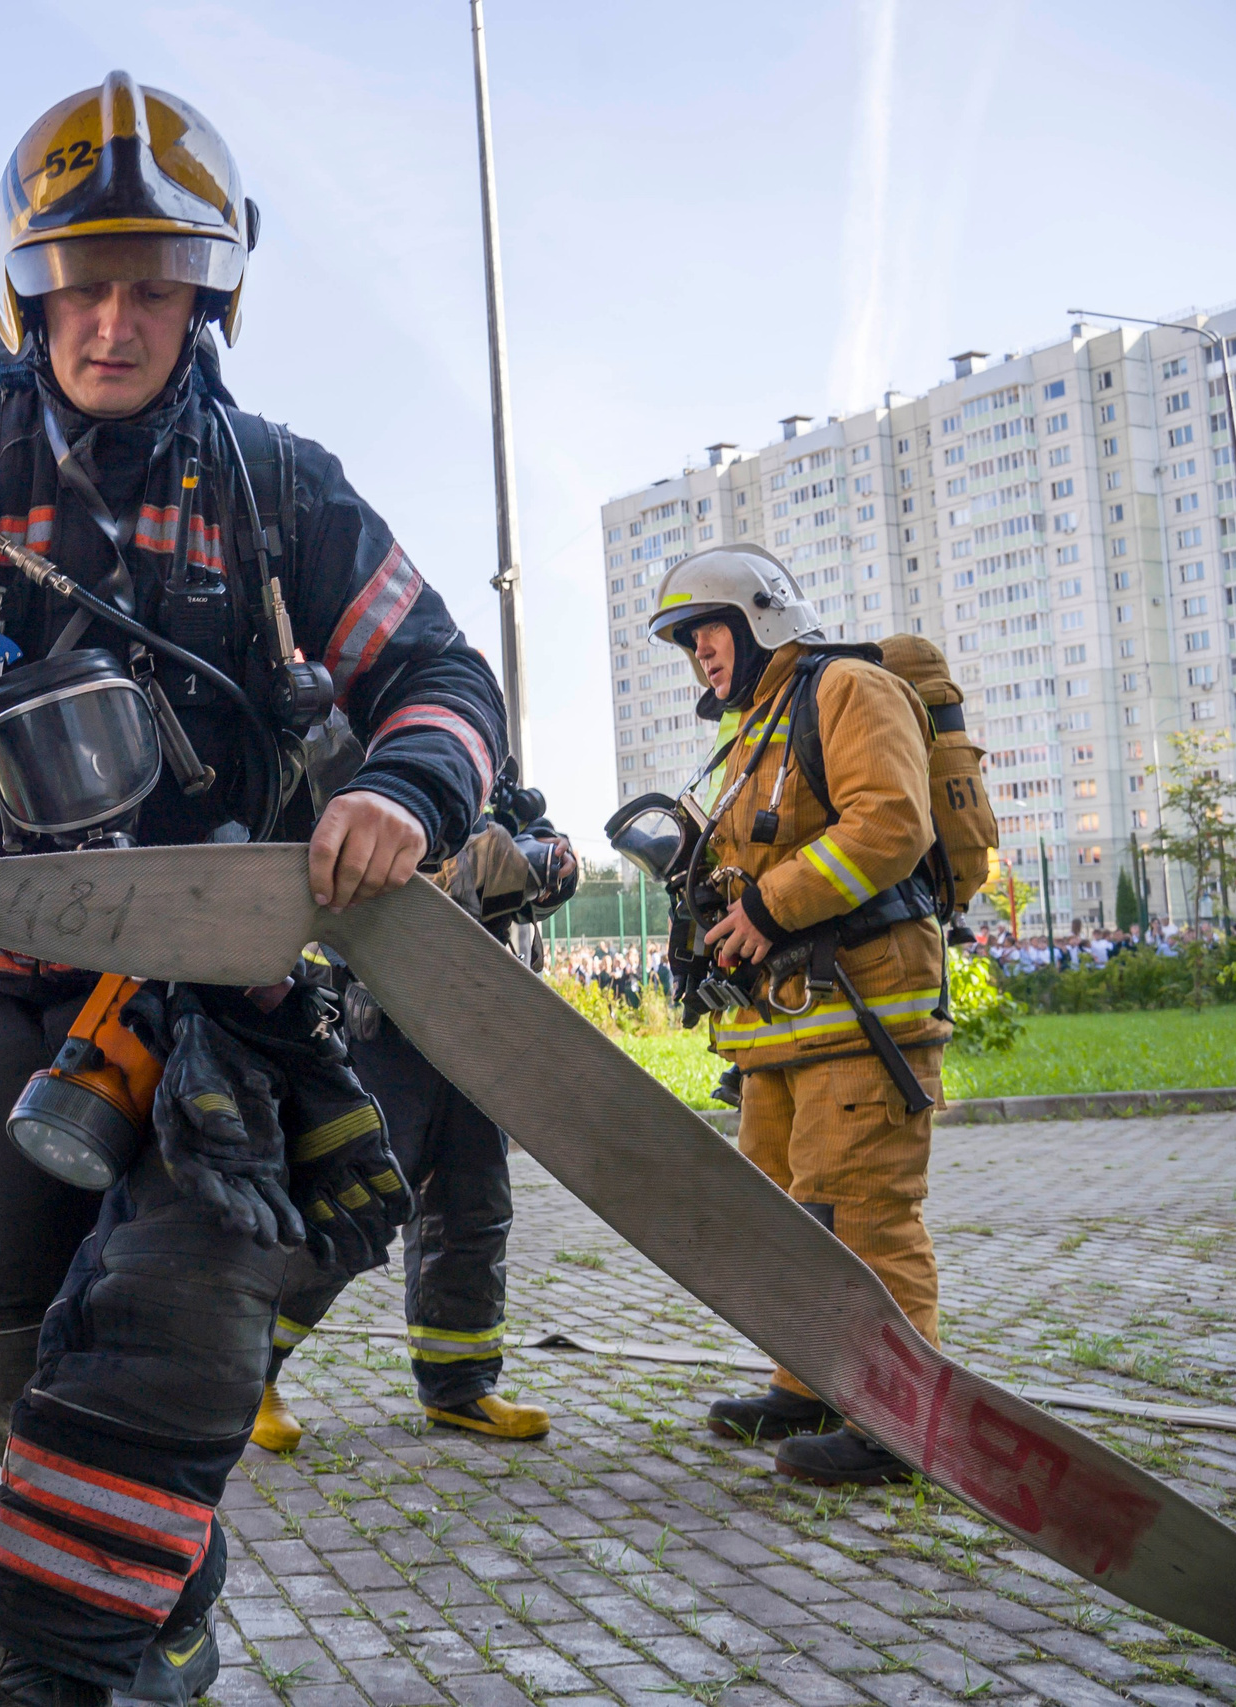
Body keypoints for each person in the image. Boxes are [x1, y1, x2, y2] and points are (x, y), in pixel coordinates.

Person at [0, 73, 504, 1707]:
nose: (115, 318)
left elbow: (441, 676)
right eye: (84, 278)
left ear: (212, 292)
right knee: (26, 1364)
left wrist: (401, 791)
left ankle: (63, 1670)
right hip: (4, 998)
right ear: (26, 281)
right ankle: (161, 1618)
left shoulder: (283, 487)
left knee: (161, 1353)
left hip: (235, 1017)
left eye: (153, 282)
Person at [647, 546, 950, 1488]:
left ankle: (900, 1422)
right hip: (783, 1028)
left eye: (710, 632)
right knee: (784, 1216)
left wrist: (770, 907)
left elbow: (892, 822)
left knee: (863, 1213)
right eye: (689, 643)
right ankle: (812, 1383)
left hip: (861, 1015)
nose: (701, 654)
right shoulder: (755, 730)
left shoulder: (847, 689)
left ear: (762, 616)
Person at [254, 780, 579, 1452]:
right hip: (375, 1018)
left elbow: (534, 859)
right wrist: (485, 860)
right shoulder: (352, 740)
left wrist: (549, 861)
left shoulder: (478, 762)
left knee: (472, 1204)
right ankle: (246, 1371)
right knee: (350, 1200)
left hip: (472, 1020)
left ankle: (460, 1383)